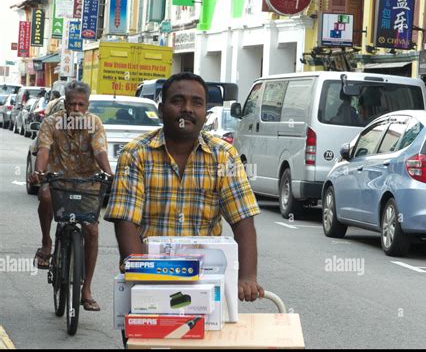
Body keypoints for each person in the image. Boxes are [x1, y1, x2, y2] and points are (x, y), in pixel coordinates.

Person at [104, 72, 264, 302]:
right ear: (161, 110)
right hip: (148, 277)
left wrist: (247, 277)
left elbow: (243, 220)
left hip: (207, 282)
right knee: (145, 337)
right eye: (177, 101)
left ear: (205, 114)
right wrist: (142, 274)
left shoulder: (224, 156)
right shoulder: (135, 154)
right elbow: (125, 221)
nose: (187, 108)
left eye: (196, 102)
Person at [28, 81, 114, 312]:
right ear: (66, 104)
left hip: (87, 182)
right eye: (72, 104)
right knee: (44, 195)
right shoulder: (52, 122)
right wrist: (39, 172)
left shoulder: (94, 123)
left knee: (92, 230)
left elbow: (100, 151)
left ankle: (86, 290)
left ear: (87, 105)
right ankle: (47, 243)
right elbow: (44, 150)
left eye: (81, 104)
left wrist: (109, 173)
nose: (76, 109)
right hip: (58, 179)